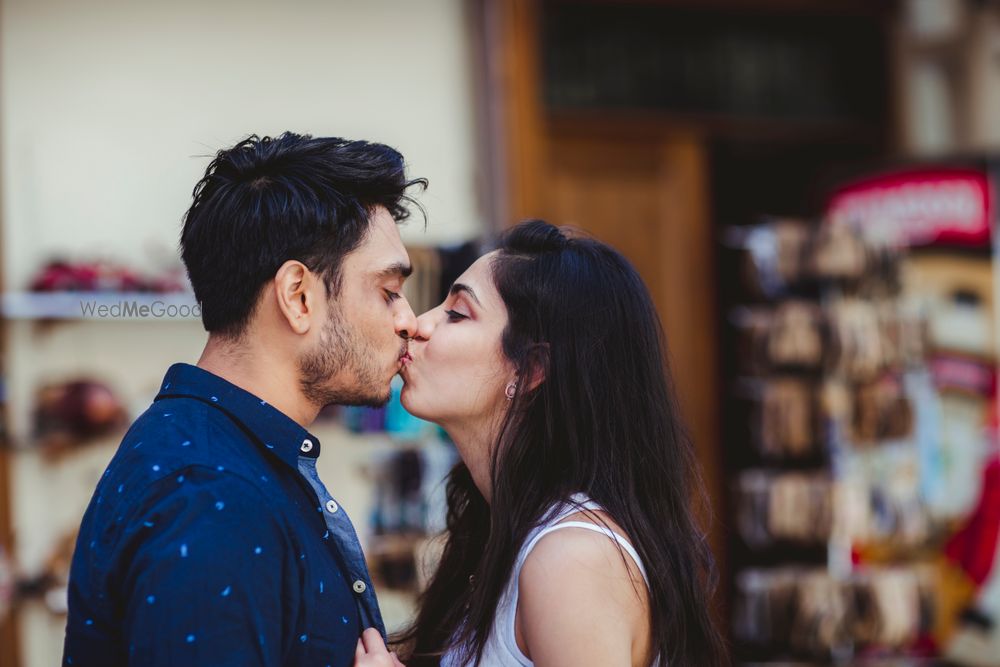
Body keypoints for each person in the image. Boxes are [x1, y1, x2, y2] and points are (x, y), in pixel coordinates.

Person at [63, 132, 423, 667]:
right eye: (389, 291)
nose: (408, 320)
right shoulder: (213, 496)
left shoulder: (225, 460)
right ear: (298, 296)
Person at [396, 220, 728, 667]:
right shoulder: (500, 532)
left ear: (531, 368)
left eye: (457, 313)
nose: (418, 324)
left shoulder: (572, 557)